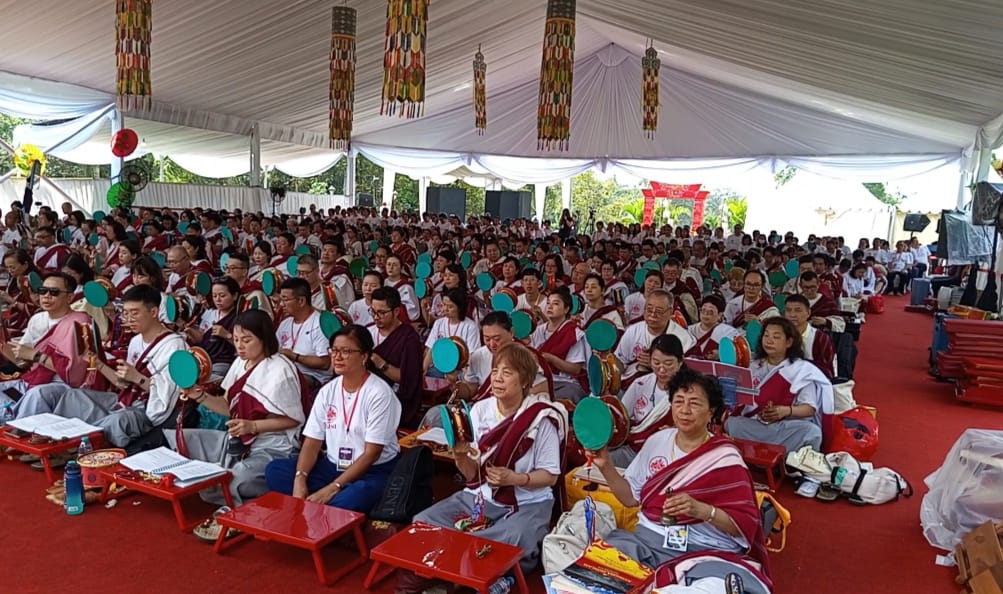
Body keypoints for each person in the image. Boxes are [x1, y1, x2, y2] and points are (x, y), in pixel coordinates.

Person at [396, 343, 567, 593]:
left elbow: (550, 476)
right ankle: (453, 575)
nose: (497, 378)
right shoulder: (479, 410)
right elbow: (471, 475)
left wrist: (515, 478)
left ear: (525, 381)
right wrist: (462, 457)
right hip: (480, 497)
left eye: (507, 373)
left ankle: (454, 577)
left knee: (508, 539)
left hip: (528, 502)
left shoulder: (541, 417)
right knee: (423, 521)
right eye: (495, 371)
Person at [588, 369, 771, 590]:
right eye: (678, 401)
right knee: (594, 574)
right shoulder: (657, 441)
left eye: (694, 403)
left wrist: (702, 510)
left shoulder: (726, 459)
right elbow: (629, 498)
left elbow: (744, 526)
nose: (684, 410)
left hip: (706, 552)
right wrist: (605, 465)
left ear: (711, 410)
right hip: (647, 540)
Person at [16, 285, 187, 449]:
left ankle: (75, 447)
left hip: (147, 409)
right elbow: (122, 384)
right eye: (125, 313)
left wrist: (137, 377)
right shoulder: (136, 341)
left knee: (119, 420)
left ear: (154, 312)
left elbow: (169, 394)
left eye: (134, 313)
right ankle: (59, 439)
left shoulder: (174, 345)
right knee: (73, 396)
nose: (128, 319)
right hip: (125, 399)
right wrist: (97, 362)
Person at [171, 309, 305, 508]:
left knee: (240, 476)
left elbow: (293, 420)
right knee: (179, 440)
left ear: (264, 338)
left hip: (275, 447)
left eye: (247, 340)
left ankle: (239, 499)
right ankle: (221, 488)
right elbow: (227, 406)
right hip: (238, 439)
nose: (240, 346)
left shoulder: (280, 370)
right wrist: (199, 395)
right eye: (236, 339)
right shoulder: (240, 363)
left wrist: (252, 426)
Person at [265, 325, 401, 512]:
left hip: (370, 470)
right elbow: (312, 441)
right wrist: (300, 478)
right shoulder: (328, 390)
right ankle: (322, 506)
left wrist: (332, 488)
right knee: (276, 470)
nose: (337, 357)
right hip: (333, 466)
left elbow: (372, 454)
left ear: (364, 356)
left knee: (356, 495)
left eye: (346, 351)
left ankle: (321, 505)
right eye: (334, 350)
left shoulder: (379, 393)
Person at [724, 317, 833, 452]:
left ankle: (789, 463)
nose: (769, 341)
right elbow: (740, 403)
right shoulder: (753, 365)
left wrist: (784, 411)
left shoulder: (801, 370)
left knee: (811, 432)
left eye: (776, 337)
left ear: (788, 342)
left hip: (784, 425)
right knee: (732, 423)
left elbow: (810, 408)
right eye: (766, 335)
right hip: (754, 423)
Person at [607, 334, 685, 467]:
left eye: (668, 364)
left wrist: (675, 431)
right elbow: (621, 418)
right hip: (635, 449)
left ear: (680, 362)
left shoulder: (687, 391)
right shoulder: (640, 383)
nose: (661, 369)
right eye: (656, 362)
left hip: (667, 454)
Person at [367, 286, 423, 428]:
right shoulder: (367, 332)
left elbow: (407, 379)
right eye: (373, 311)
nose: (376, 317)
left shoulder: (408, 338)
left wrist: (380, 363)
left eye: (382, 312)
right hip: (365, 393)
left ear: (396, 311)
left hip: (394, 400)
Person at [615, 290, 695, 388]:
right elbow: (620, 361)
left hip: (666, 388)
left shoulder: (683, 338)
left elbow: (687, 374)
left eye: (659, 311)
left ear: (670, 312)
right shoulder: (633, 330)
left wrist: (655, 365)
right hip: (630, 383)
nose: (652, 315)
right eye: (649, 309)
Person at [530, 287, 588, 402]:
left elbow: (575, 369)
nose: (550, 306)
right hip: (539, 379)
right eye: (548, 303)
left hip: (564, 382)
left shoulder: (573, 333)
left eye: (555, 304)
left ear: (566, 309)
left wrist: (551, 359)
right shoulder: (539, 330)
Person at [275, 278, 333, 392]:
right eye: (281, 300)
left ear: (301, 301)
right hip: (286, 371)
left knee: (281, 381)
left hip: (312, 377)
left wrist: (294, 356)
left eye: (285, 300)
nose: (281, 304)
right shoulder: (285, 323)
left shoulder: (319, 323)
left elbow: (325, 363)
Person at [184, 277, 240, 377]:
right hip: (202, 357)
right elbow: (201, 339)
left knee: (202, 379)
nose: (218, 299)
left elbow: (243, 346)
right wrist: (188, 329)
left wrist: (227, 335)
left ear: (235, 296)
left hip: (222, 361)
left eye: (222, 295)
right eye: (214, 296)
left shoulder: (239, 317)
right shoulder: (209, 313)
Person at [423, 288, 482, 377]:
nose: (445, 309)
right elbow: (431, 349)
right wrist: (424, 368)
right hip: (440, 368)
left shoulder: (470, 326)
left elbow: (471, 356)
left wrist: (466, 377)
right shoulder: (439, 323)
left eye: (450, 306)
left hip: (460, 371)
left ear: (459, 308)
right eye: (443, 305)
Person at [784, 294, 836, 379]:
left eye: (798, 310)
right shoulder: (780, 336)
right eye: (788, 310)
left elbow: (827, 370)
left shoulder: (820, 338)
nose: (792, 315)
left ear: (808, 313)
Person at [685, 295, 738, 360]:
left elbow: (737, 354)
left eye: (710, 312)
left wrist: (721, 355)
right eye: (703, 310)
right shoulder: (689, 330)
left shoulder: (728, 332)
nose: (706, 314)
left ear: (719, 315)